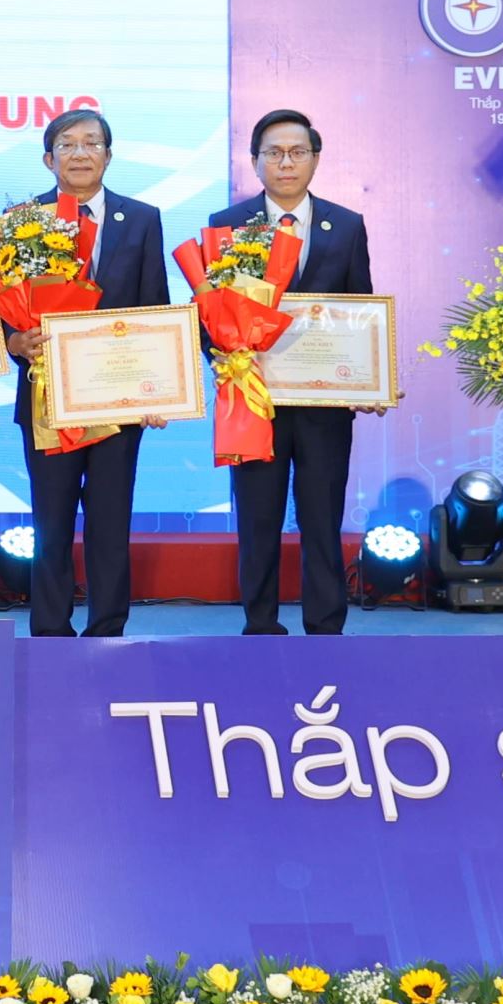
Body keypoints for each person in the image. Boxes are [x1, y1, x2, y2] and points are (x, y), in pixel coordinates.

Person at [215, 109, 376, 636]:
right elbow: (210, 311)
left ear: (315, 159)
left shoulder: (346, 225)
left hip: (323, 406)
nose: (286, 163)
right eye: (274, 153)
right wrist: (225, 358)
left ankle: (325, 629)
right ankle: (260, 625)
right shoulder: (227, 224)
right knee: (257, 520)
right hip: (254, 401)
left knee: (321, 520)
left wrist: (367, 377)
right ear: (255, 161)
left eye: (297, 152)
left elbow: (360, 309)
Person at [13, 108, 169, 638]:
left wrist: (159, 391)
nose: (80, 153)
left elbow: (155, 308)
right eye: (67, 144)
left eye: (91, 143)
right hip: (46, 399)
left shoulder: (142, 218)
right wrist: (15, 342)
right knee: (50, 524)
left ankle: (107, 631)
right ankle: (49, 633)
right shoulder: (21, 221)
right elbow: (3, 309)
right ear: (48, 158)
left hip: (118, 401)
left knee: (110, 522)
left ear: (108, 154)